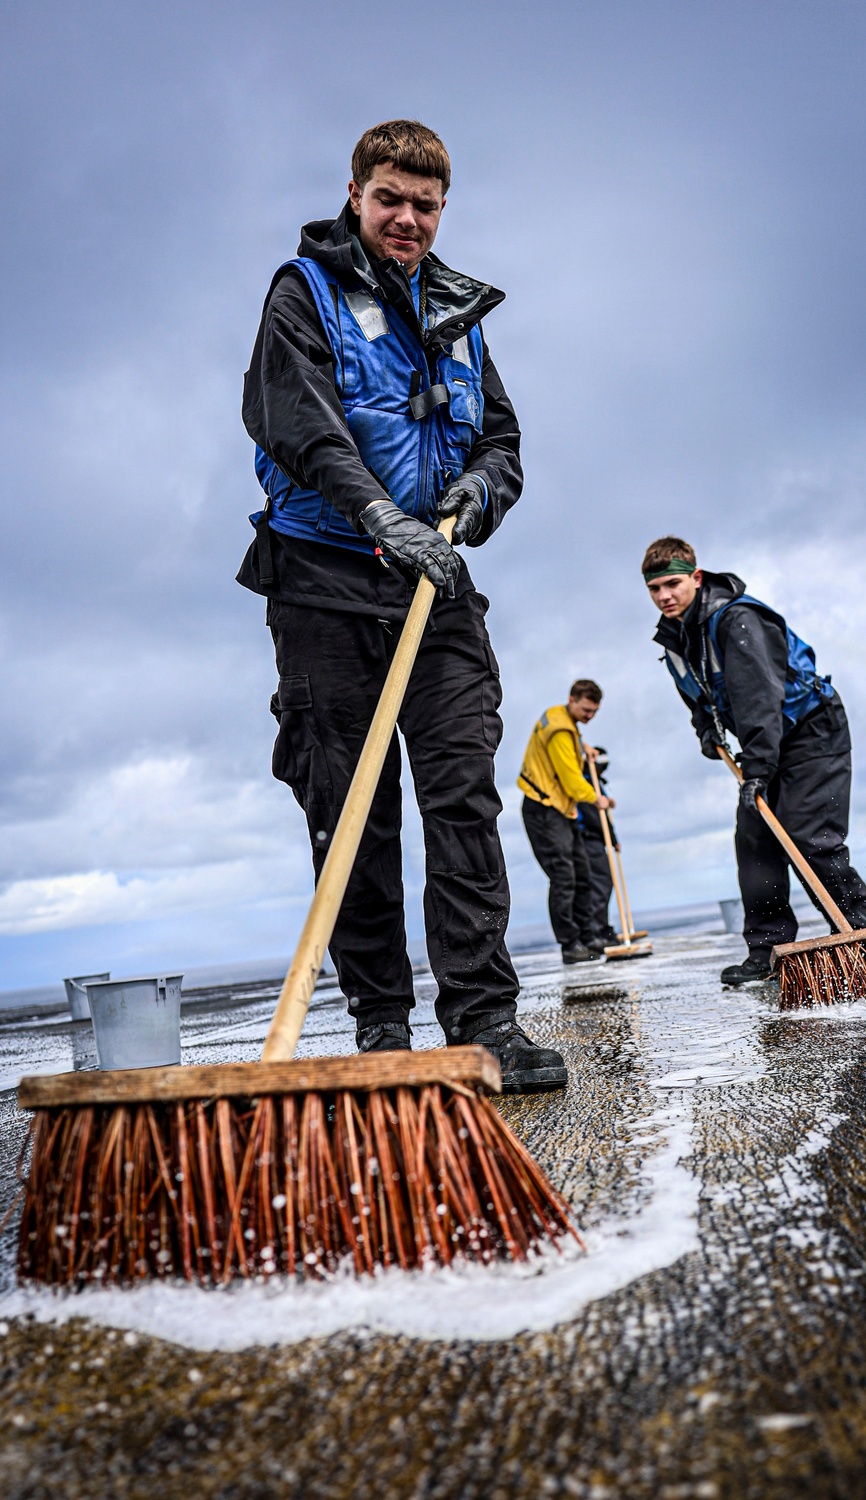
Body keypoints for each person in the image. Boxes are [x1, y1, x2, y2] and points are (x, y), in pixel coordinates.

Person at [238, 119, 567, 1093]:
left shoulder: (457, 313)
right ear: (355, 195)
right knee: (352, 808)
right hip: (323, 584)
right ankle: (382, 1024)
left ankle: (485, 1019)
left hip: (436, 589)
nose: (407, 219)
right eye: (390, 199)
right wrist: (380, 514)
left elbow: (501, 440)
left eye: (425, 205)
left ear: (443, 209)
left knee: (461, 793)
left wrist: (479, 493)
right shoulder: (303, 293)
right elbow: (296, 423)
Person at [643, 535, 866, 985]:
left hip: (810, 729)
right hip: (765, 740)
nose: (664, 596)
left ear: (696, 577)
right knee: (755, 839)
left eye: (672, 584)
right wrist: (706, 729)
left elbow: (759, 699)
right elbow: (696, 693)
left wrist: (757, 771)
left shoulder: (737, 619)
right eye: (654, 589)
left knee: (810, 835)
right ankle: (767, 951)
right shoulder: (676, 637)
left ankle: (862, 936)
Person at [518, 680, 615, 964]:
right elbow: (572, 781)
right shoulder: (561, 729)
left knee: (582, 873)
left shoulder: (561, 717)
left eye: (594, 712)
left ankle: (588, 937)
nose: (590, 716)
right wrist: (597, 798)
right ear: (572, 699)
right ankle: (570, 945)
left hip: (562, 810)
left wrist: (584, 746)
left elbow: (567, 746)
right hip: (544, 808)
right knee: (564, 876)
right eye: (586, 710)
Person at [579, 748, 619, 946]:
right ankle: (598, 930)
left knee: (600, 883)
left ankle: (600, 928)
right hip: (588, 839)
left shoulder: (594, 783)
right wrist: (611, 838)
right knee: (600, 883)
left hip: (592, 840)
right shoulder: (587, 784)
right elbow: (594, 817)